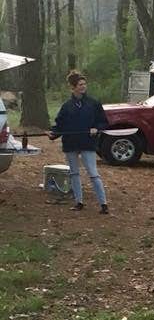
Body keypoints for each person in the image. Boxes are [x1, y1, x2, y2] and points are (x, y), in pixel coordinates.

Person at [49, 71, 110, 214]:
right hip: (70, 143)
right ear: (73, 87)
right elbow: (60, 125)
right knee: (74, 173)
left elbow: (103, 122)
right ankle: (79, 202)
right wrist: (53, 134)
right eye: (80, 84)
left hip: (87, 143)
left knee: (93, 173)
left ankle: (103, 204)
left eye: (84, 84)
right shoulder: (66, 106)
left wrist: (97, 128)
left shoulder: (94, 103)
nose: (83, 87)